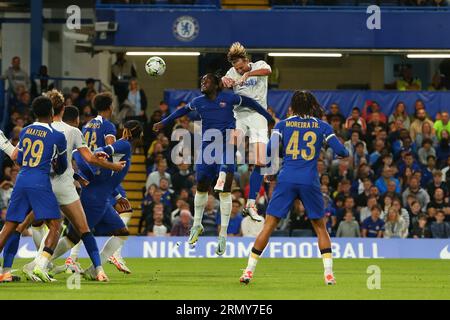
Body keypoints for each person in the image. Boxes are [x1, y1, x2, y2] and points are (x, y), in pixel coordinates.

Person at [8, 92, 125, 282]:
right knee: (83, 229)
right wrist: (113, 166)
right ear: (62, 109)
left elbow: (18, 157)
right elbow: (88, 158)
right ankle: (98, 270)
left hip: (42, 185)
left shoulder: (38, 129)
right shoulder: (72, 131)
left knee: (22, 225)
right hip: (65, 188)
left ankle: (15, 266)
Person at [153, 73, 273, 256]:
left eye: (207, 80)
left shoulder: (230, 98)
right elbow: (182, 111)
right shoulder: (199, 101)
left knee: (224, 190)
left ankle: (223, 234)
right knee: (201, 186)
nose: (203, 82)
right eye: (201, 80)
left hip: (227, 145)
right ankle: (197, 225)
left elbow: (252, 104)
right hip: (207, 149)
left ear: (217, 84)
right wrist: (164, 122)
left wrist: (267, 117)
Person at [240, 90, 349, 286]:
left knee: (269, 226)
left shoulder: (282, 125)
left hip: (287, 178)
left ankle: (248, 271)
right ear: (312, 106)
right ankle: (329, 274)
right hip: (309, 180)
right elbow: (342, 151)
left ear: (293, 105)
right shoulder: (322, 126)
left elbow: (269, 151)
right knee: (320, 228)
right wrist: (336, 150)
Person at [44, 120, 142, 280]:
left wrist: (117, 196)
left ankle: (90, 270)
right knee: (73, 237)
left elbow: (105, 176)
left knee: (121, 232)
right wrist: (101, 153)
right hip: (95, 199)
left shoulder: (122, 149)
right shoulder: (125, 145)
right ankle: (41, 263)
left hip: (102, 198)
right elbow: (101, 150)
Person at [0, 96, 67, 282]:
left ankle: (4, 270)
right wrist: (54, 163)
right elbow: (62, 167)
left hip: (21, 179)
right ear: (52, 113)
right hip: (40, 181)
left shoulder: (26, 130)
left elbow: (19, 159)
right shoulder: (57, 136)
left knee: (10, 226)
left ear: (35, 113)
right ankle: (40, 265)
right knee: (56, 225)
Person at [221, 42, 272, 223]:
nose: (239, 70)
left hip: (258, 115)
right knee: (231, 143)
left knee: (260, 161)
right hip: (239, 115)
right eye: (236, 68)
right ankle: (221, 175)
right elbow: (223, 82)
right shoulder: (231, 72)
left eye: (241, 66)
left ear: (246, 60)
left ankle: (251, 204)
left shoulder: (259, 65)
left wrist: (248, 74)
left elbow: (268, 72)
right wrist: (224, 82)